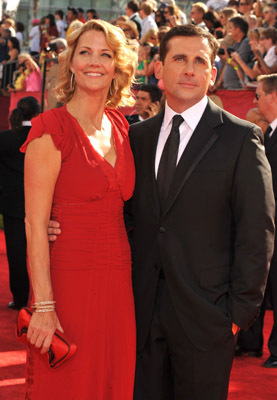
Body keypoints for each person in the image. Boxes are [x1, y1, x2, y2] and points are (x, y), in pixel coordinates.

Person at [126, 24, 274, 399]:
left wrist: (239, 314)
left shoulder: (240, 137)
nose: (189, 69)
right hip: (140, 314)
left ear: (212, 73)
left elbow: (257, 230)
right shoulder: (137, 138)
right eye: (180, 59)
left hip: (209, 317)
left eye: (199, 61)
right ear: (159, 69)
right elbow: (126, 218)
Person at [21, 19, 137, 399]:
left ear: (117, 66)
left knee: (111, 380)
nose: (94, 62)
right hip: (67, 281)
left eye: (105, 55)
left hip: (118, 280)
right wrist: (44, 304)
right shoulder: (50, 129)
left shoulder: (121, 126)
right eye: (84, 52)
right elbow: (36, 225)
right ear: (70, 62)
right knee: (67, 385)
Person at [236, 74, 277, 368]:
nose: (255, 100)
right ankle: (251, 345)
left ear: (273, 97)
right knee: (260, 286)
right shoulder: (271, 133)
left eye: (258, 94)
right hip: (267, 227)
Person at [0, 97, 40, 310]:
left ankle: (20, 299)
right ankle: (45, 301)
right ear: (37, 114)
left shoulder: (5, 139)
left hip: (13, 206)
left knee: (16, 255)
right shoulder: (43, 137)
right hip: (42, 205)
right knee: (45, 253)